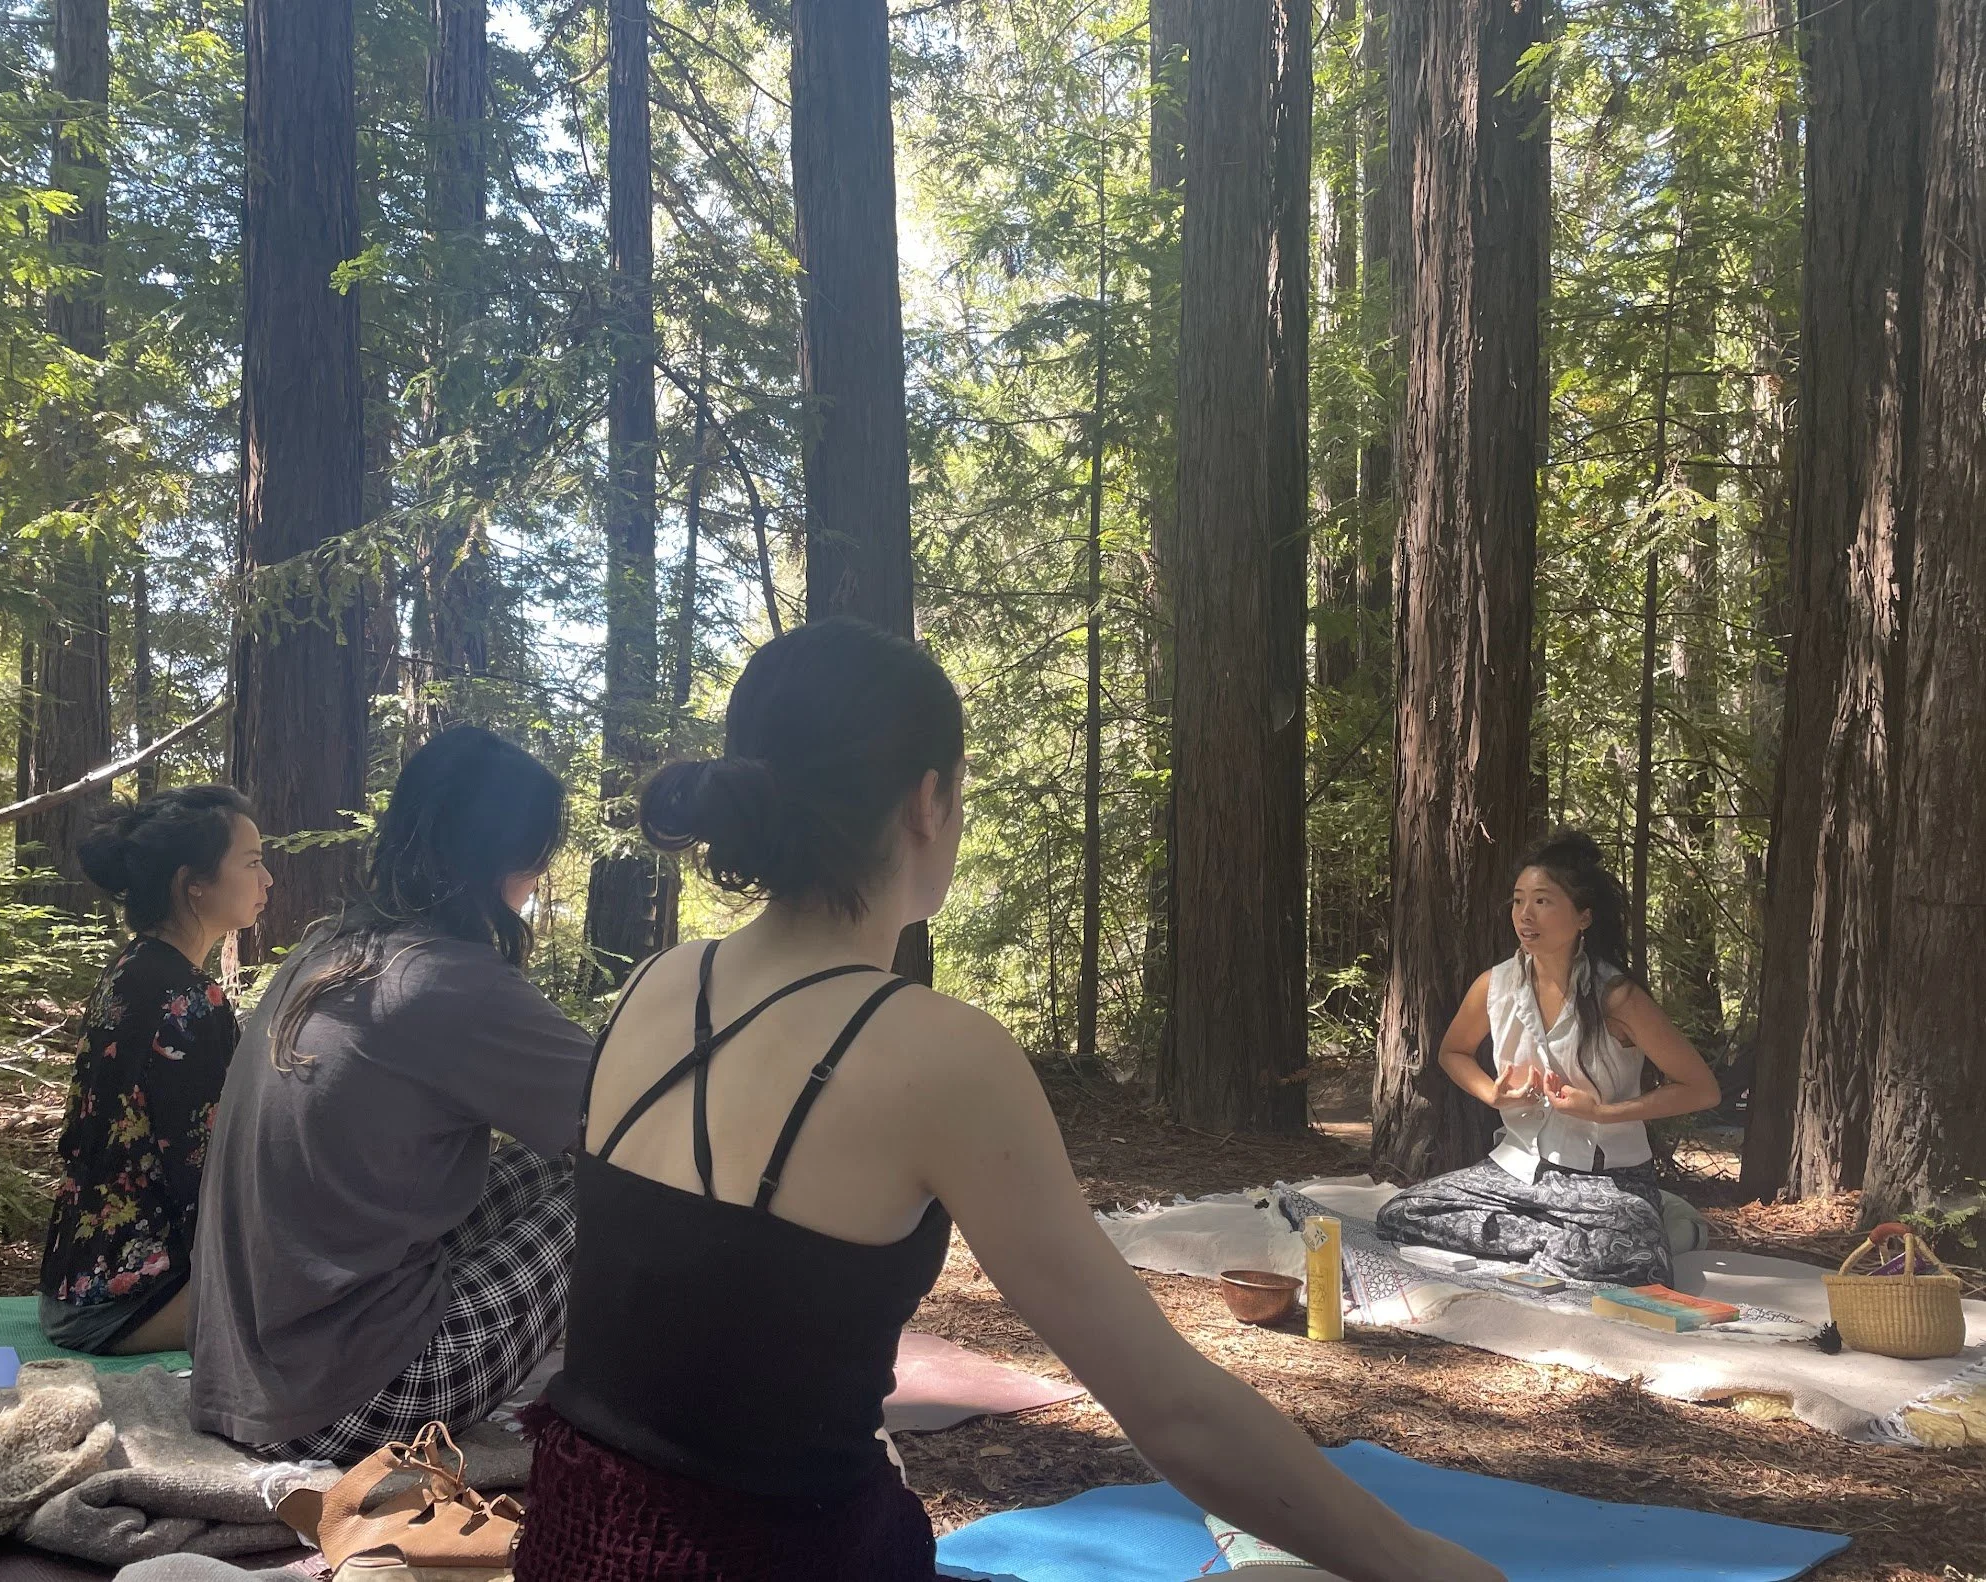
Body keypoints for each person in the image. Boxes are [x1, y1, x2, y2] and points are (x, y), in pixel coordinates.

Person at [513, 619, 1503, 1582]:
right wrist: (1421, 1562)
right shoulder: (937, 1053)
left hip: (568, 1545)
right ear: (928, 800)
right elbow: (1174, 1410)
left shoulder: (660, 982)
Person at [188, 726, 593, 1460]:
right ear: (508, 859)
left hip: (240, 1373)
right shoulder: (451, 982)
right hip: (343, 1402)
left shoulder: (332, 951)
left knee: (548, 1172)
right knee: (615, 1185)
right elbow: (646, 1120)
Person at [1374, 830, 1722, 1287]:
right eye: (1519, 901)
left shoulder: (1618, 997)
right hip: (1518, 1172)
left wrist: (1602, 1112)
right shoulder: (1495, 984)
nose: (1525, 915)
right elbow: (1452, 1052)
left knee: (1629, 1262)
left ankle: (1628, 1226)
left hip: (1606, 1181)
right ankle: (1565, 1242)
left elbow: (1702, 1089)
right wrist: (1492, 1094)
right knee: (1401, 1213)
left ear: (1583, 917)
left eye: (1543, 901)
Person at [40, 786, 271, 1356]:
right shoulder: (191, 1001)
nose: (267, 880)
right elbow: (209, 1177)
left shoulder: (129, 968)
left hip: (71, 1284)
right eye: (252, 862)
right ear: (193, 882)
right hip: (127, 1304)